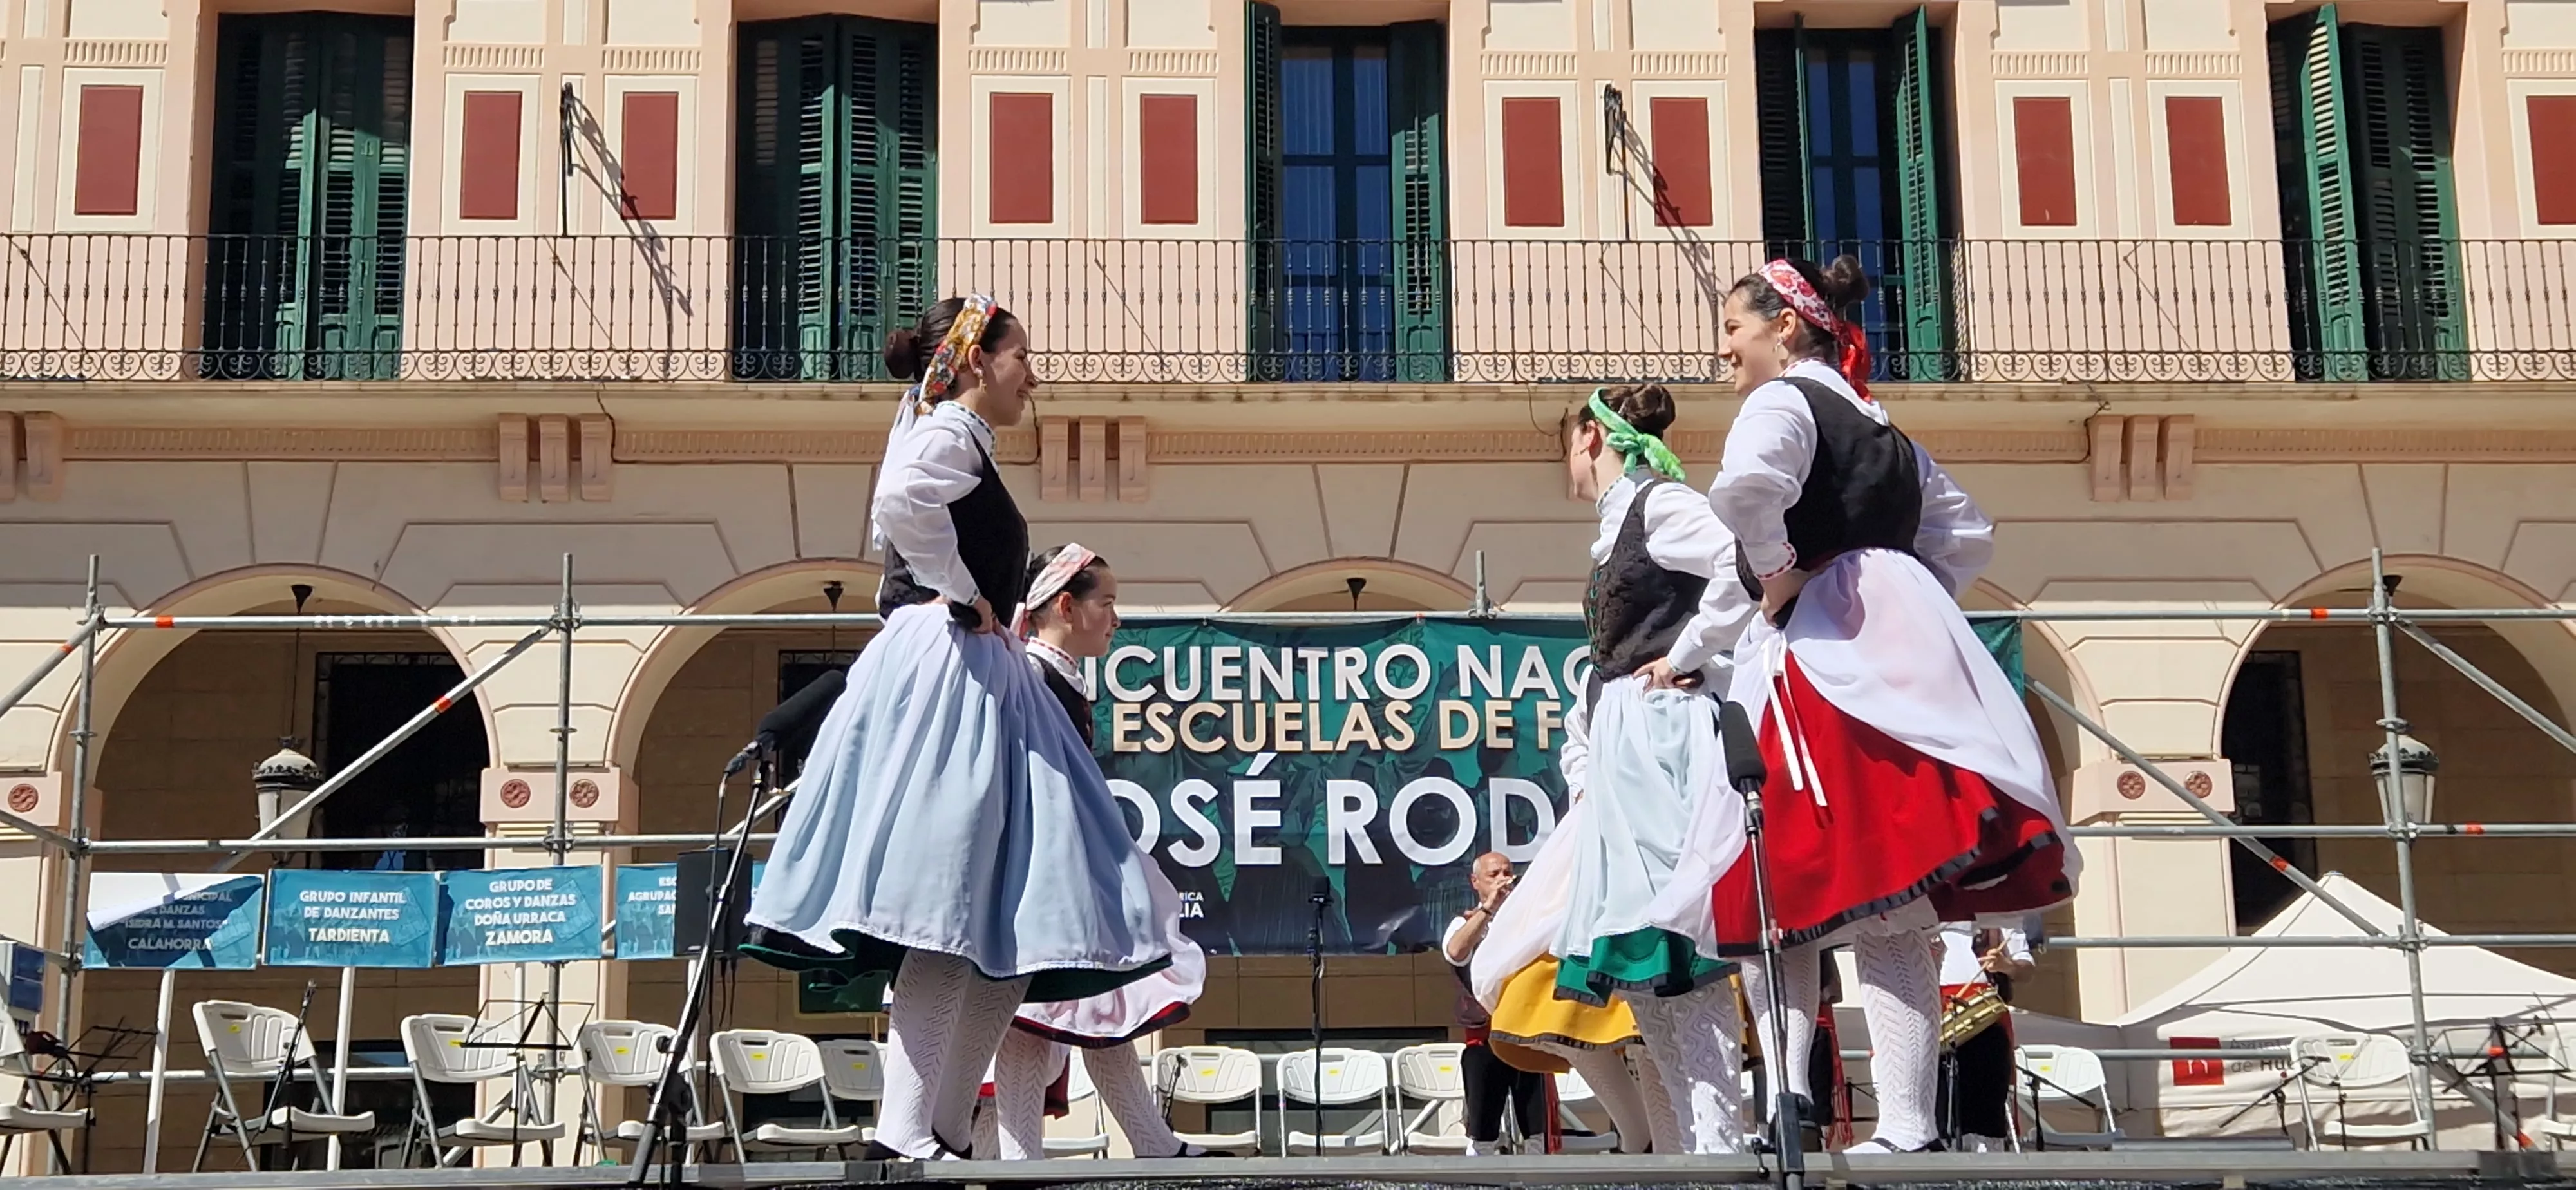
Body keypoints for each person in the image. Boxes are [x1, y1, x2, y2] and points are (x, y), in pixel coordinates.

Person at [741, 296, 1177, 1161]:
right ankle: (904, 1128)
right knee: (947, 906)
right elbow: (901, 505)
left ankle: (939, 1121)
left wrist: (959, 593)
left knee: (1006, 923)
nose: (1034, 375)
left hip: (973, 668)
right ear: (978, 359)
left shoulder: (953, 436)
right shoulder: (948, 430)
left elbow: (897, 518)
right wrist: (959, 591)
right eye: (1024, 356)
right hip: (951, 666)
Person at [1701, 257, 2078, 1155]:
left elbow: (1748, 490)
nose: (1723, 351)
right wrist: (1900, 592)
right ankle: (1900, 1123)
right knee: (1889, 898)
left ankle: (1794, 1095)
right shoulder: (1893, 437)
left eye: (1731, 328)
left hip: (1826, 659)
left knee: (1785, 877)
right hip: (1899, 650)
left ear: (1785, 327)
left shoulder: (1784, 402)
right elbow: (1963, 534)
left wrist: (1780, 566)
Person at [1542, 383, 1762, 1155]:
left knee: (1682, 951)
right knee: (1648, 969)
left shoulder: (1660, 505)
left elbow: (1742, 565)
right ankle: (1691, 1152)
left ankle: (1721, 1150)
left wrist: (1686, 655)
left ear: (1591, 441)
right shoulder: (1617, 525)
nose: (1565, 462)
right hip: (1625, 747)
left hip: (1664, 743)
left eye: (1566, 444)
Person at [987, 544, 1211, 1160]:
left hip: (1064, 865)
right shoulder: (1031, 673)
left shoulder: (1053, 674)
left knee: (1097, 1003)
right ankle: (1020, 1160)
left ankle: (1148, 1143)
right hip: (1039, 871)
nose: (1116, 619)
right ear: (1066, 605)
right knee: (1047, 1007)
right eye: (1106, 603)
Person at [1469, 704, 1677, 1155]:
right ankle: (1640, 1138)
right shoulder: (1597, 686)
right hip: (1595, 846)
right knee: (1551, 1003)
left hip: (1660, 832)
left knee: (1653, 1023)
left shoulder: (1670, 674)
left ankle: (1667, 1149)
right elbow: (1578, 742)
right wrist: (1587, 785)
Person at [1443, 852, 1553, 1154]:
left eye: (1508, 872)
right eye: (1494, 874)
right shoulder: (1462, 923)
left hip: (1528, 1033)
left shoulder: (1532, 919)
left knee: (1538, 1130)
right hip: (1485, 1035)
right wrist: (1489, 909)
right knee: (1483, 1130)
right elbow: (1456, 953)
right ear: (1475, 882)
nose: (1504, 879)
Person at [1935, 916, 2034, 1151]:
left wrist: (2006, 966)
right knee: (1937, 1095)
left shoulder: (2000, 911)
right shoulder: (1925, 906)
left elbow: (2026, 968)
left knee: (1985, 1096)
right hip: (1936, 1006)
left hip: (1985, 1013)